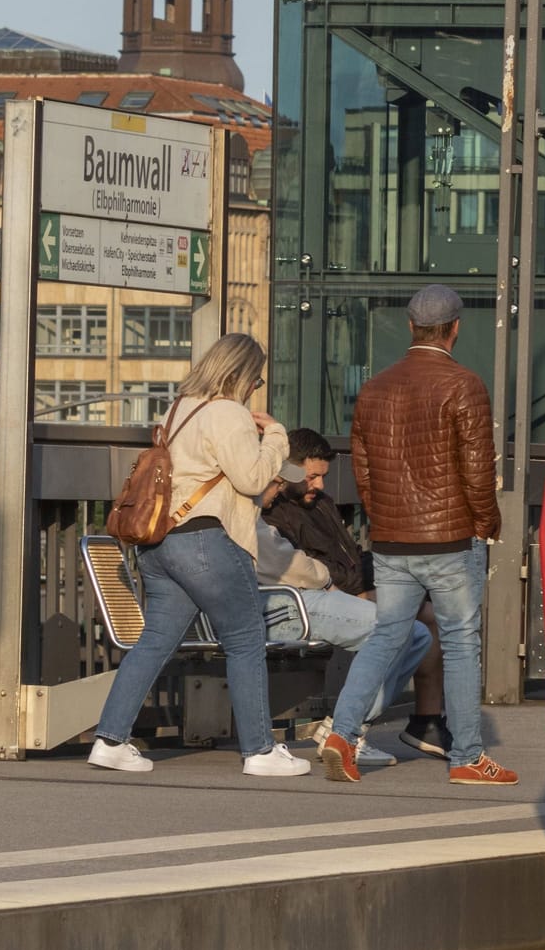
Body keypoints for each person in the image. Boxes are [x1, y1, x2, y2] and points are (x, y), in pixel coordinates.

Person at [320, 284, 518, 786]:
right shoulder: (464, 385)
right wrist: (487, 523)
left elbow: (364, 471)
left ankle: (342, 734)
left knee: (386, 636)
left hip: (391, 539)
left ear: (411, 327)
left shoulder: (375, 388)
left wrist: (385, 520)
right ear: (455, 328)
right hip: (450, 538)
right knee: (458, 643)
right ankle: (468, 756)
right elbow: (477, 470)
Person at [89, 333, 310, 777]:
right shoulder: (228, 413)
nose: (255, 387)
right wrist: (277, 437)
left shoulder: (179, 408)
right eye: (256, 378)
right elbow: (251, 480)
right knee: (246, 640)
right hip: (206, 541)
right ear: (241, 374)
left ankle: (110, 740)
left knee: (154, 642)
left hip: (160, 544)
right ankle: (260, 751)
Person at [265, 428, 454, 759]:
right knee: (413, 629)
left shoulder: (319, 503)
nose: (320, 486)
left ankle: (423, 719)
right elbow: (299, 569)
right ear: (287, 469)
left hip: (342, 590)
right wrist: (358, 591)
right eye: (311, 477)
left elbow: (351, 557)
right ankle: (349, 729)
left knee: (426, 615)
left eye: (322, 477)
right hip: (305, 598)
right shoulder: (273, 509)